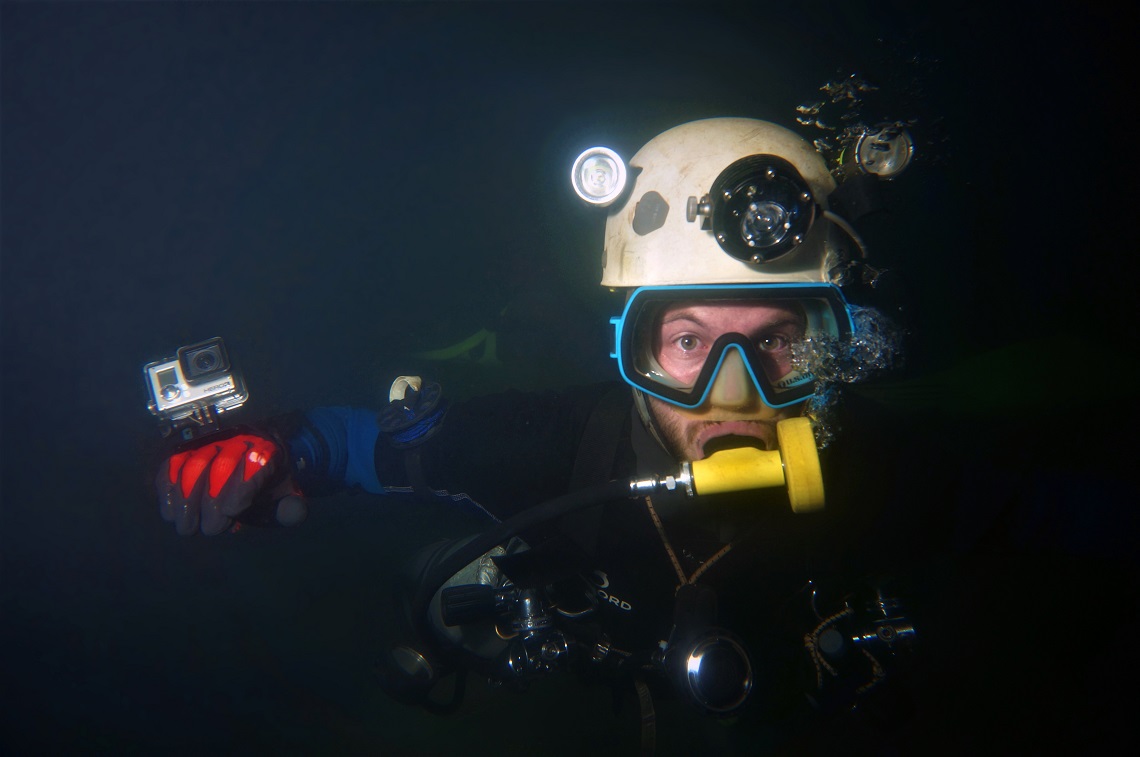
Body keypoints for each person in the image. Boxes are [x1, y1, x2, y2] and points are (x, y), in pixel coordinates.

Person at [155, 117, 913, 750]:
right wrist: (281, 450)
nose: (734, 392)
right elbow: (358, 443)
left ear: (834, 347)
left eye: (776, 341)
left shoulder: (888, 468)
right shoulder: (558, 442)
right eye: (688, 342)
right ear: (629, 343)